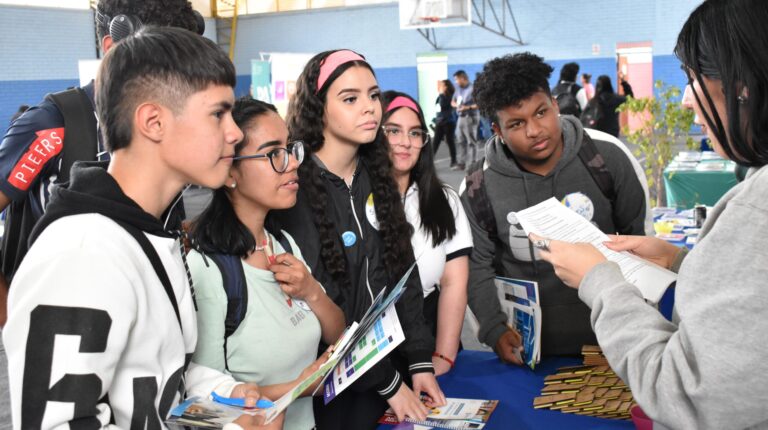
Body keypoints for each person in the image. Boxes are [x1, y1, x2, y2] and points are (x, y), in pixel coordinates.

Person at [3, 27, 283, 430]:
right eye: (218, 113)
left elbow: (158, 388)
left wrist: (225, 397)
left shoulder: (148, 234)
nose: (235, 132)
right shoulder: (83, 252)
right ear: (153, 122)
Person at [534, 0, 768, 428]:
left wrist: (599, 281)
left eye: (694, 80)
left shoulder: (757, 209)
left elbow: (684, 392)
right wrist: (680, 263)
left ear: (741, 86)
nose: (685, 99)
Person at [0, 0, 204, 327]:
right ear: (112, 48)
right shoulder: (53, 125)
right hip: (71, 339)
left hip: (156, 325)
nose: (177, 75)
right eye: (161, 58)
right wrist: (15, 320)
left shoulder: (167, 125)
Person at [273, 49, 445, 428]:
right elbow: (321, 305)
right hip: (330, 387)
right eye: (350, 99)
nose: (369, 108)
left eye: (373, 95)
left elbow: (405, 273)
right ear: (319, 108)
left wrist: (419, 360)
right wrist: (388, 382)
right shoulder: (293, 190)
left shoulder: (376, 176)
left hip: (389, 370)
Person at [461, 52, 647, 364]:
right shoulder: (479, 187)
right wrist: (494, 329)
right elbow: (477, 268)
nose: (534, 130)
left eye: (541, 112)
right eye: (517, 123)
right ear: (497, 130)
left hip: (615, 345)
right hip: (527, 353)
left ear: (556, 105)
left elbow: (639, 241)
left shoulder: (606, 159)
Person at [189, 96, 346, 430]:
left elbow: (338, 334)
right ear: (230, 172)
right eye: (274, 153)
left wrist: (313, 293)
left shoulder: (284, 244)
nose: (291, 163)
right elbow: (205, 399)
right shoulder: (208, 269)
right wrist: (301, 387)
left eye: (290, 149)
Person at [381, 91, 473, 376]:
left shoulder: (443, 200)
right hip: (373, 351)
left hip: (431, 336)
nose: (405, 142)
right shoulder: (354, 201)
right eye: (393, 131)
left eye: (415, 133)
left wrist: (443, 357)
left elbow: (454, 283)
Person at [451, 70, 480, 170]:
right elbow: (452, 102)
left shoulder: (473, 89)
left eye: (457, 79)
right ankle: (461, 163)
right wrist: (457, 105)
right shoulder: (458, 89)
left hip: (470, 117)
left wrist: (467, 108)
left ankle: (474, 164)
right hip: (461, 118)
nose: (456, 82)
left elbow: (479, 104)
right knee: (460, 140)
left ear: (463, 78)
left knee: (471, 142)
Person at [431, 79, 457, 168]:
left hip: (448, 121)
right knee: (436, 142)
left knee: (450, 141)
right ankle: (429, 162)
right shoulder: (440, 96)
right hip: (440, 121)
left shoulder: (449, 96)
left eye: (441, 85)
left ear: (445, 87)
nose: (439, 87)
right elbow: (437, 107)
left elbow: (443, 105)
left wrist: (441, 93)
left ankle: (454, 161)